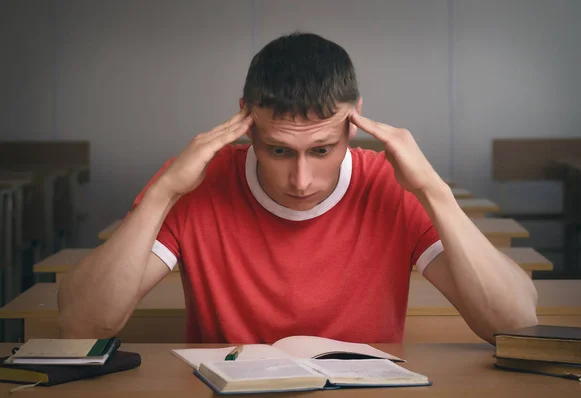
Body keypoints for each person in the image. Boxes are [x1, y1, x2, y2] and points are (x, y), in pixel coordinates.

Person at [57, 32, 538, 345]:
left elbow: (515, 326)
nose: (302, 181)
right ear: (245, 122)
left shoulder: (390, 185)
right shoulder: (197, 182)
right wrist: (164, 191)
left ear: (354, 122)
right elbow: (82, 324)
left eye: (323, 151)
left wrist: (434, 190)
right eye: (279, 151)